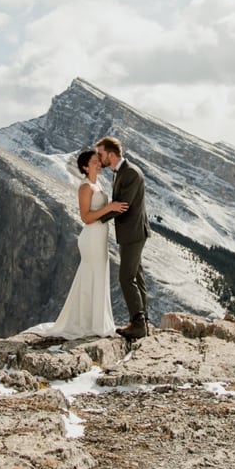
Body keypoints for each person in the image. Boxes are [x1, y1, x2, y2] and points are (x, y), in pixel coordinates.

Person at [30, 149, 128, 338]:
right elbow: (86, 217)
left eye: (98, 161)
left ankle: (95, 322)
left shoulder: (97, 184)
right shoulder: (85, 187)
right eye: (93, 162)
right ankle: (86, 324)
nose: (98, 164)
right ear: (85, 167)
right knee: (91, 276)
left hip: (100, 236)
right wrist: (109, 207)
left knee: (98, 276)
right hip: (91, 237)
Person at [95, 136, 151, 339]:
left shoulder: (131, 173)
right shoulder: (120, 172)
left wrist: (96, 218)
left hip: (133, 232)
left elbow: (122, 206)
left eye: (101, 154)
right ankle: (143, 322)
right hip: (131, 232)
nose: (99, 158)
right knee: (137, 276)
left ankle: (138, 324)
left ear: (111, 154)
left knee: (126, 277)